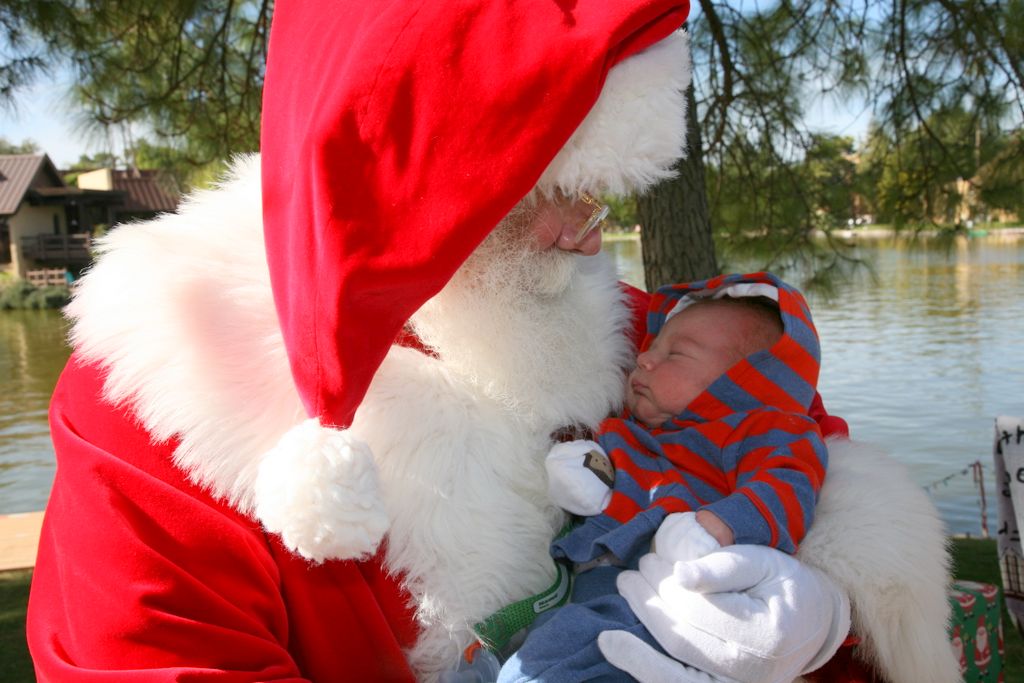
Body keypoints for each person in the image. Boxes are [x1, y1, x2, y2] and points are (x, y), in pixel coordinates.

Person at [26, 1, 958, 682]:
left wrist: (827, 615)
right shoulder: (150, 407)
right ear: (425, 167)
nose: (591, 239)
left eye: (604, 198)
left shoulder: (618, 324)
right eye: (558, 192)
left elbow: (786, 424)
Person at [499, 273, 850, 683]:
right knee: (545, 649)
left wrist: (723, 525)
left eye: (675, 354)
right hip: (592, 594)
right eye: (652, 347)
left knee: (559, 661)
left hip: (678, 600)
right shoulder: (630, 430)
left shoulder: (762, 429)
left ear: (742, 384)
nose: (643, 359)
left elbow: (787, 484)